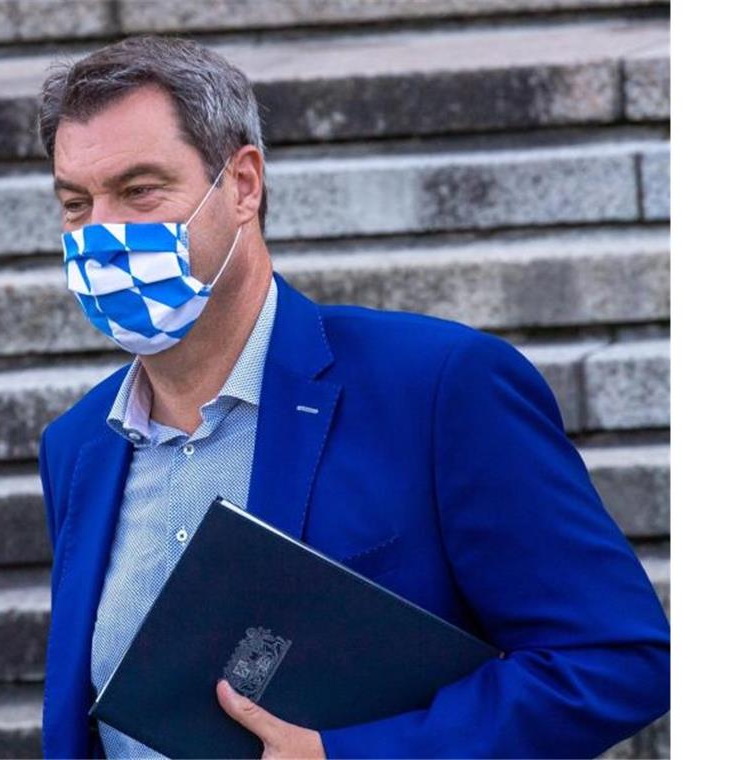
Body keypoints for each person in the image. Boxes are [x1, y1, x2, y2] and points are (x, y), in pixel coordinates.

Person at [35, 35, 670, 759]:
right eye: (76, 203)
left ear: (243, 185)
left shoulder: (438, 387)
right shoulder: (77, 446)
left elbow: (616, 659)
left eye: (140, 190)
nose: (102, 234)